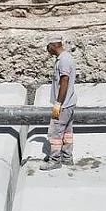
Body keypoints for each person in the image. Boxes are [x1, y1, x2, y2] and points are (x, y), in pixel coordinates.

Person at [41, 33, 76, 171]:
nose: (47, 49)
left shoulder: (63, 61)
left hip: (63, 105)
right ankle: (67, 157)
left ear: (54, 45)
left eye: (48, 46)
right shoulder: (64, 58)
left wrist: (58, 104)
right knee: (67, 131)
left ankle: (55, 160)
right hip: (69, 103)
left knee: (55, 132)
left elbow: (64, 81)